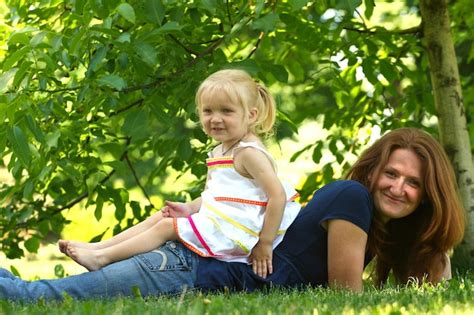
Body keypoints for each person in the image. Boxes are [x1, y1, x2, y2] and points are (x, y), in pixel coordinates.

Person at [0, 129, 466, 300]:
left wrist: (433, 249)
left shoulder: (374, 228)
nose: (398, 188)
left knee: (34, 295)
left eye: (414, 183)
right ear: (374, 171)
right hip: (184, 270)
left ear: (430, 195)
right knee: (31, 298)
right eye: (392, 173)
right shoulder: (350, 197)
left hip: (187, 268)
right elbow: (347, 296)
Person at [58, 69, 301, 278]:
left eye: (226, 111)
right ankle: (99, 248)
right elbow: (216, 197)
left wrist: (265, 243)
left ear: (251, 115)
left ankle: (102, 258)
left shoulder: (249, 153)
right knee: (162, 218)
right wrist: (189, 208)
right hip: (226, 219)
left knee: (167, 227)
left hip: (241, 232)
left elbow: (277, 196)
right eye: (208, 111)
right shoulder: (221, 149)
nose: (215, 119)